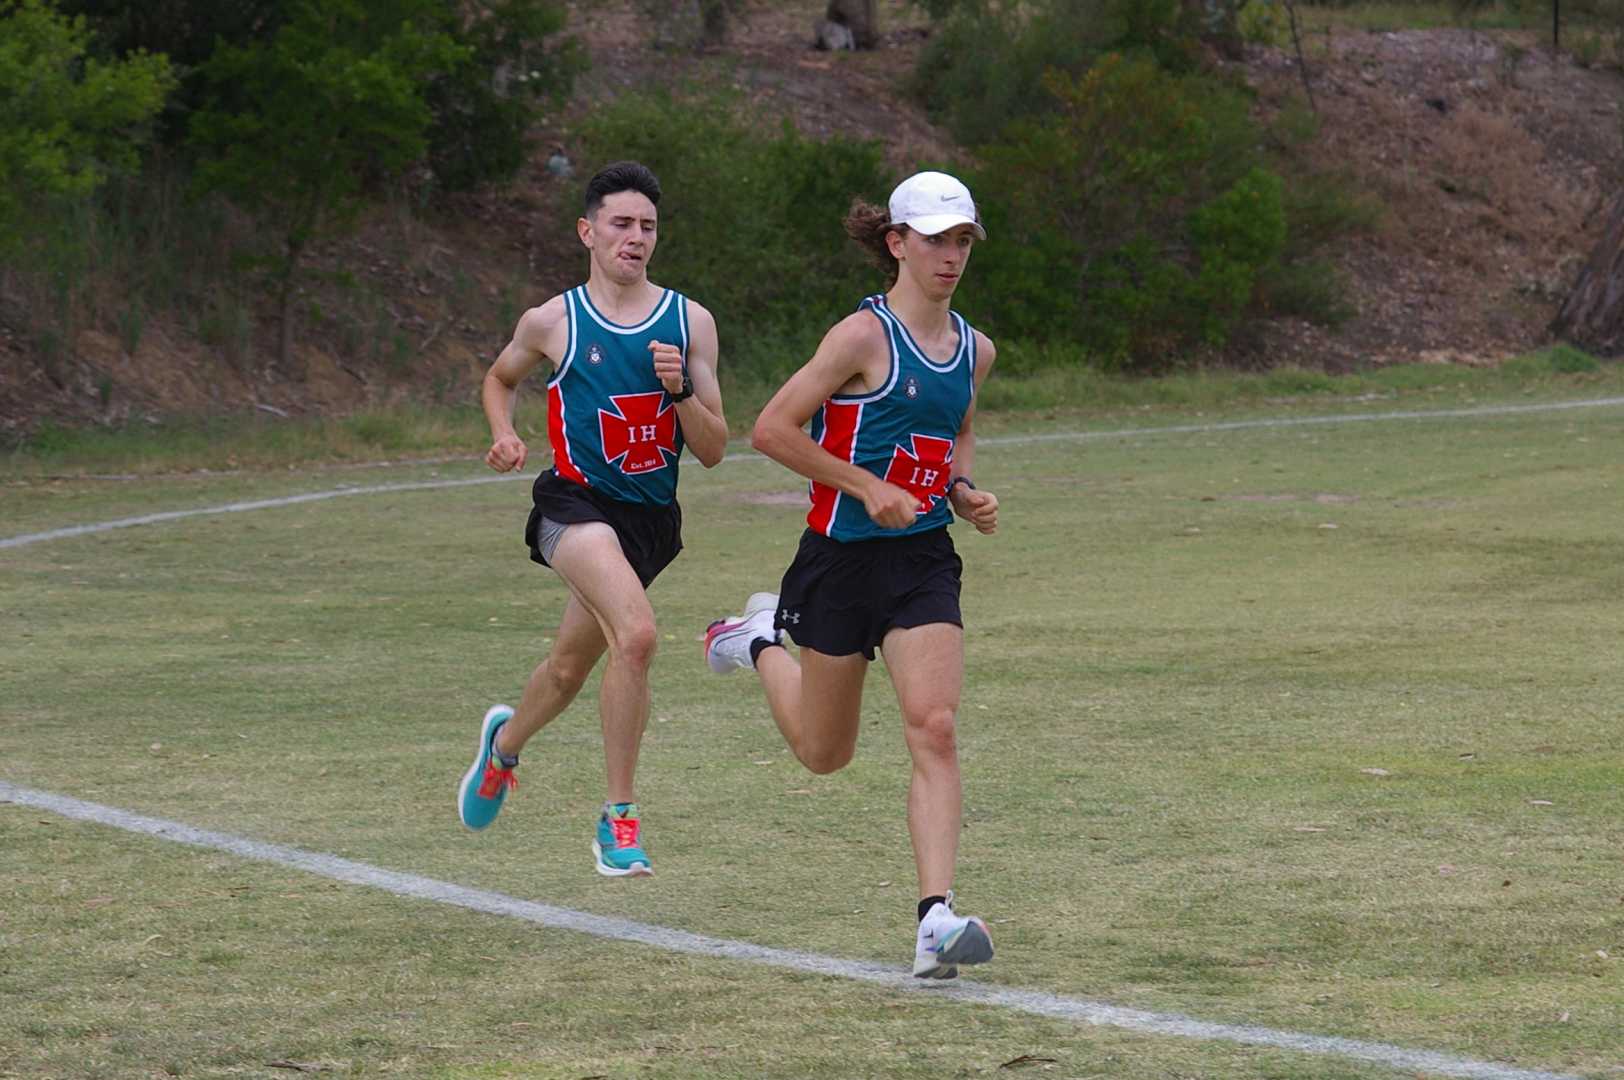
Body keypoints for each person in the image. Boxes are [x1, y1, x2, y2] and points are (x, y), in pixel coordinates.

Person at [704, 171, 1001, 977]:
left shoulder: (975, 349)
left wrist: (963, 491)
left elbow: (956, 432)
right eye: (935, 239)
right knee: (822, 754)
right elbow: (769, 429)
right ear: (896, 244)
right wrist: (867, 487)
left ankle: (934, 919)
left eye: (963, 240)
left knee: (934, 726)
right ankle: (760, 638)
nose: (951, 256)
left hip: (924, 560)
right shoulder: (860, 338)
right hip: (837, 561)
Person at [459, 161, 728, 878]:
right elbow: (499, 377)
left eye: (647, 227)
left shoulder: (690, 323)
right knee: (636, 638)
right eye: (620, 224)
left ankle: (503, 748)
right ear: (588, 231)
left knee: (570, 668)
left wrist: (676, 392)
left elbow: (713, 450)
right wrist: (503, 433)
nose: (635, 238)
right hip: (572, 508)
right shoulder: (553, 321)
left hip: (647, 525)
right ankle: (619, 823)